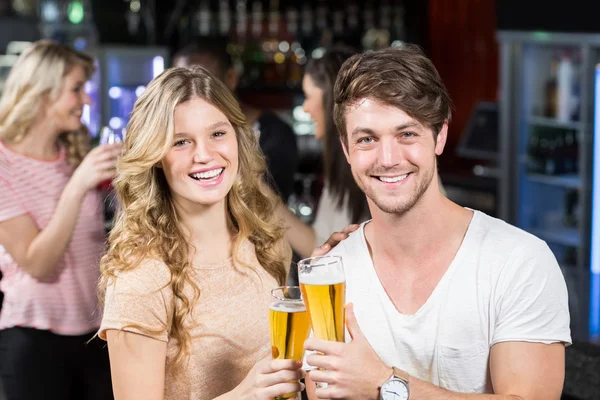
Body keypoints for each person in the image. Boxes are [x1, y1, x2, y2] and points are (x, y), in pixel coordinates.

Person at [304, 45, 571, 399]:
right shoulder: (330, 275)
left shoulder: (520, 262)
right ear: (346, 149)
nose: (388, 158)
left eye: (407, 134)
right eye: (367, 139)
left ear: (440, 135)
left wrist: (385, 385)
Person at [97, 66, 305, 400]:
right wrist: (245, 396)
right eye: (181, 142)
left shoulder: (263, 240)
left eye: (217, 134)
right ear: (155, 158)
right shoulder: (142, 280)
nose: (205, 155)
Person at [0, 40, 118, 400]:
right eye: (77, 89)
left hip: (97, 332)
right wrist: (78, 184)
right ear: (43, 91)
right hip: (34, 339)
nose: (86, 100)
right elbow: (37, 262)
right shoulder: (3, 163)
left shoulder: (75, 152)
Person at [173, 37, 299, 203]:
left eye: (203, 84)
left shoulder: (275, 135)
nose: (191, 95)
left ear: (231, 77)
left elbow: (269, 206)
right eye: (180, 86)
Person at [276, 47, 369, 260]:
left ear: (331, 100)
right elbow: (323, 246)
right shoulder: (340, 166)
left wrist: (267, 203)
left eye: (309, 96)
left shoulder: (361, 165)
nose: (306, 108)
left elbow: (322, 252)